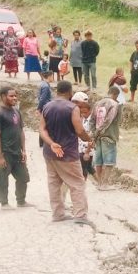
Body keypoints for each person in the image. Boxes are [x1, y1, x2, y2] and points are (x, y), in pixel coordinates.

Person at [39, 81, 94, 225]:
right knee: (77, 183)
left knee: (54, 183)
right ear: (70, 92)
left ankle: (58, 214)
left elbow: (42, 130)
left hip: (50, 152)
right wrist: (89, 139)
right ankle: (80, 215)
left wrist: (51, 143)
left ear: (57, 91)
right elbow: (79, 130)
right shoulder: (72, 108)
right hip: (68, 153)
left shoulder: (47, 106)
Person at [0, 87, 30, 210]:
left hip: (17, 152)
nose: (15, 98)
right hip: (5, 152)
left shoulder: (16, 111)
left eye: (15, 96)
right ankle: (4, 203)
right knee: (2, 179)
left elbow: (21, 131)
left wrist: (23, 150)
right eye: (11, 96)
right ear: (3, 97)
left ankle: (21, 201)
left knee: (23, 177)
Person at [92, 86, 122, 190]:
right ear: (116, 94)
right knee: (109, 161)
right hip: (109, 136)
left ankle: (99, 183)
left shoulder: (98, 103)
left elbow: (92, 119)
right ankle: (104, 184)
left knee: (99, 161)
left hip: (98, 137)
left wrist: (95, 134)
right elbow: (109, 120)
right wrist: (100, 130)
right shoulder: (114, 105)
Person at [38, 71, 55, 147]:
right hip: (46, 107)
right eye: (52, 76)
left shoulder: (43, 84)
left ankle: (42, 142)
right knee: (45, 125)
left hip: (44, 107)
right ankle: (43, 142)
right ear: (49, 76)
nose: (53, 78)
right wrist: (39, 108)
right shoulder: (46, 86)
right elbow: (42, 98)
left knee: (43, 124)